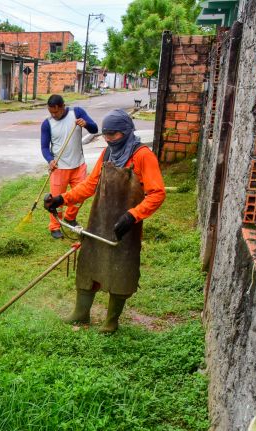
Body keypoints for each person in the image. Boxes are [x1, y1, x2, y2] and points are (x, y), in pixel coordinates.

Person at [44, 109, 165, 333]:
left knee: (121, 270)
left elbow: (157, 193)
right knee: (89, 263)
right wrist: (62, 199)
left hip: (125, 228)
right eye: (106, 135)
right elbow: (90, 185)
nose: (109, 139)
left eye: (114, 135)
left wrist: (132, 216)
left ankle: (111, 321)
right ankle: (81, 313)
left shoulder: (142, 156)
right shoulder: (108, 154)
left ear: (127, 132)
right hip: (99, 221)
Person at [40, 94, 98, 239]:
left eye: (56, 112)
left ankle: (70, 218)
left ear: (62, 107)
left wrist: (86, 124)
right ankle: (55, 226)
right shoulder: (47, 124)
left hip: (78, 165)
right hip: (59, 168)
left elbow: (94, 129)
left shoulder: (77, 113)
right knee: (55, 201)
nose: (53, 115)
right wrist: (50, 160)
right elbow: (44, 147)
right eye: (50, 112)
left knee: (79, 197)